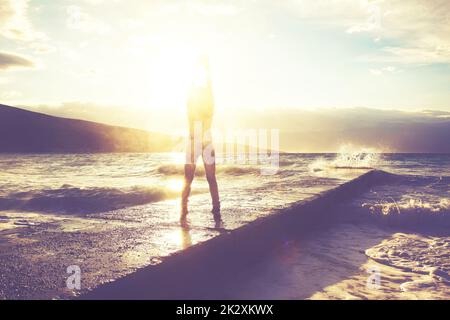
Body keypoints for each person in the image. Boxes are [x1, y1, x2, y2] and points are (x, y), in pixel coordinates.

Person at [180, 55, 220, 221]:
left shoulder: (209, 105)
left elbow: (209, 87)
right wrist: (198, 68)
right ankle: (184, 206)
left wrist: (206, 67)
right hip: (192, 142)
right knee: (189, 176)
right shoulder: (191, 104)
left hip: (206, 143)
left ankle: (216, 207)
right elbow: (191, 87)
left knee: (210, 177)